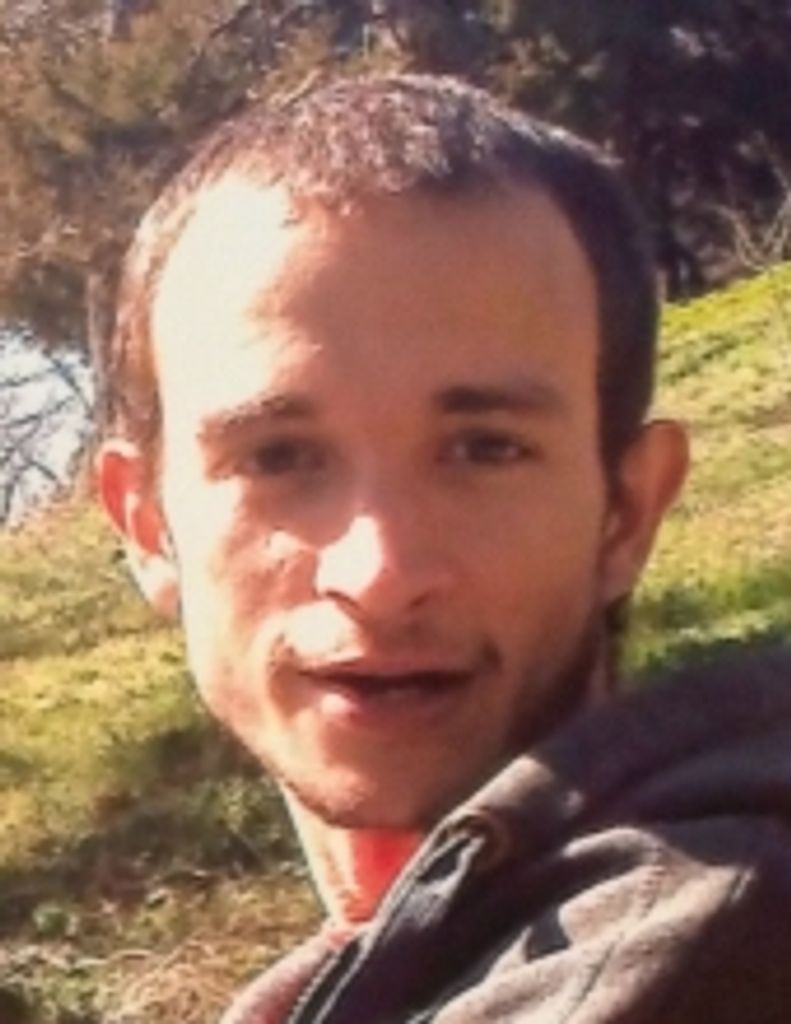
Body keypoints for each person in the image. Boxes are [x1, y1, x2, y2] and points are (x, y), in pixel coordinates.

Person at [96, 74, 791, 1022]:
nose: (378, 575)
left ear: (626, 511)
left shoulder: (711, 942)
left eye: (484, 449)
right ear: (146, 525)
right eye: (278, 457)